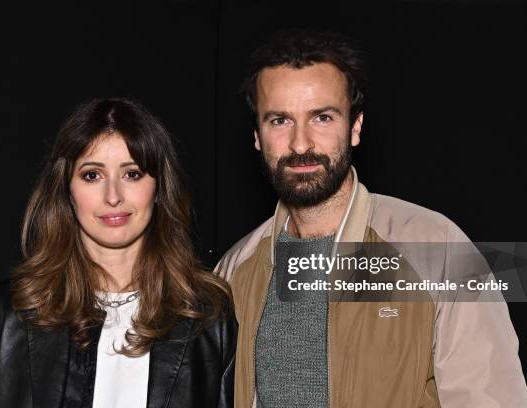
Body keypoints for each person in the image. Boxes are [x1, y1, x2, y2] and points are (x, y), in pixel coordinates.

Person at [215, 29, 527, 408]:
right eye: (280, 121)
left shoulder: (437, 249)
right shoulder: (234, 271)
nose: (300, 144)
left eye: (322, 118)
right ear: (257, 136)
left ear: (356, 126)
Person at [0, 97, 237, 408]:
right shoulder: (1, 317)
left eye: (132, 174)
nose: (113, 196)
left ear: (158, 188)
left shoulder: (208, 318)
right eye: (92, 175)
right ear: (66, 189)